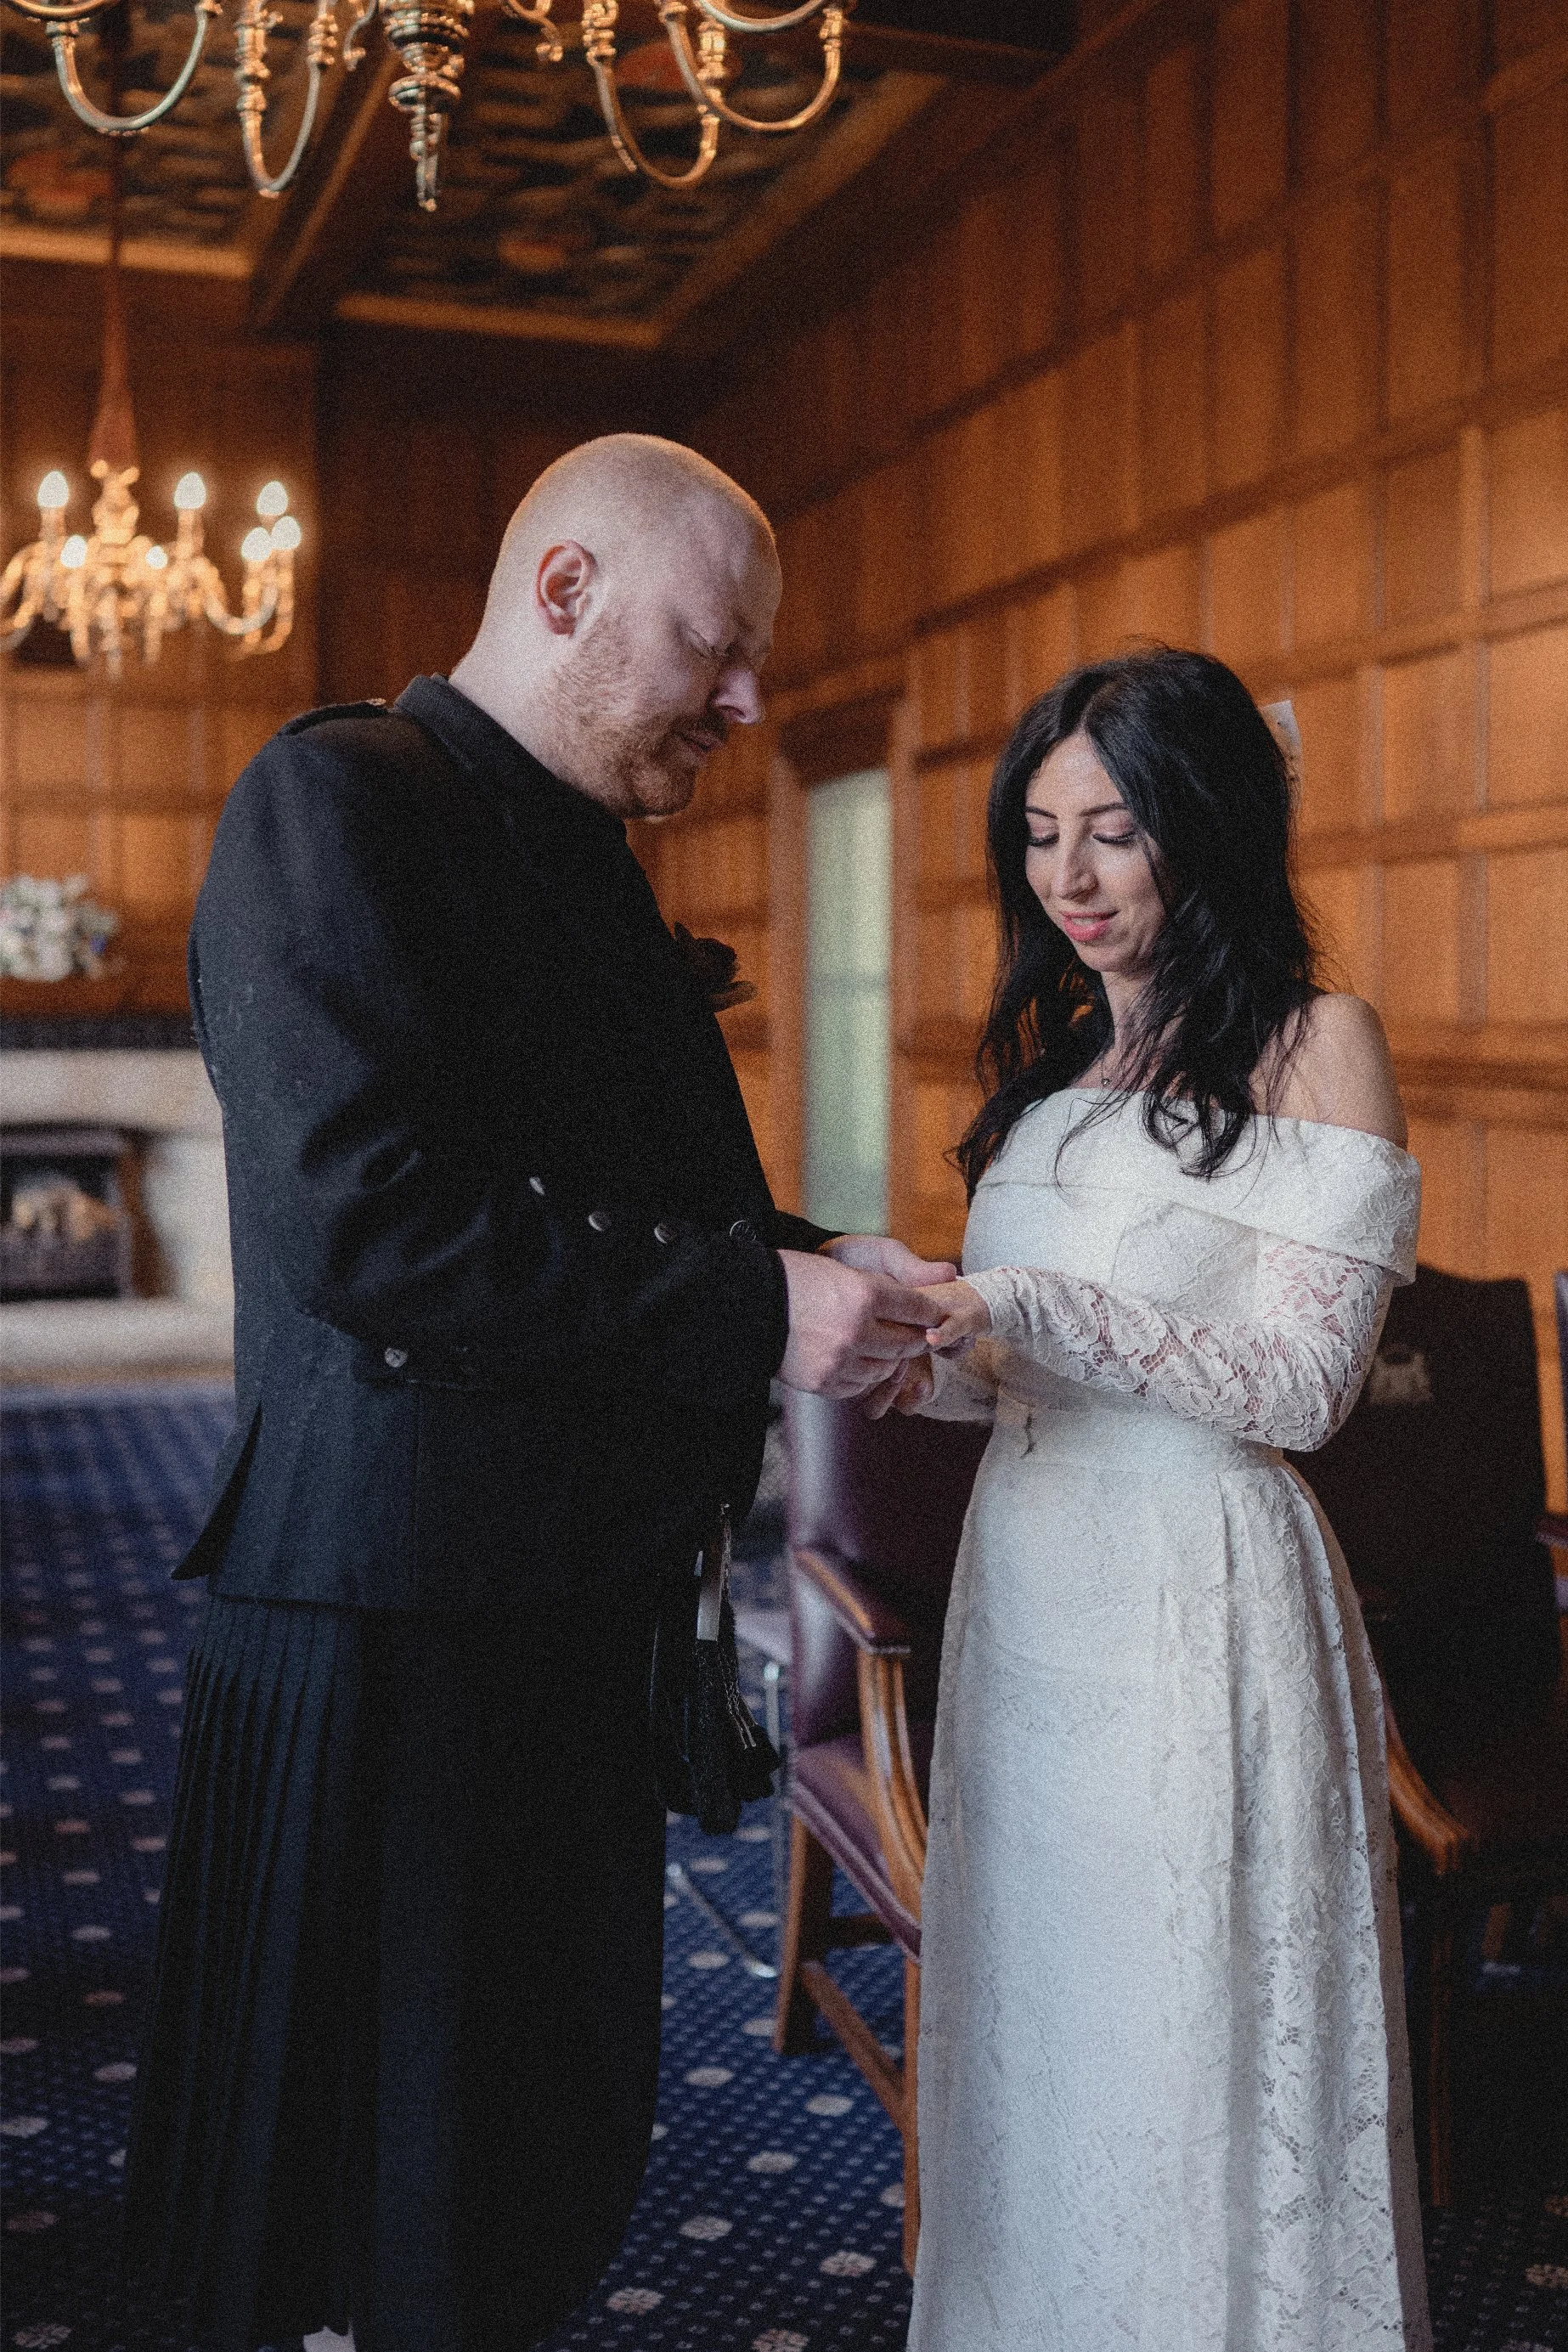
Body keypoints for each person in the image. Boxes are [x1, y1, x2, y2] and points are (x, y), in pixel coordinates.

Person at [122, 434, 950, 2352]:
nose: (745, 697)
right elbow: (371, 1224)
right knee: (381, 2189)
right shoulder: (332, 798)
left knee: (533, 2162)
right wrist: (760, 1307)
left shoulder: (583, 846)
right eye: (713, 643)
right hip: (384, 1622)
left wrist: (829, 1266)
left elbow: (654, 1215)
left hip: (566, 1611)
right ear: (564, 592)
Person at [897, 647, 1433, 2350]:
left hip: (1198, 1591)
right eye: (1039, 834)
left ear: (1199, 825)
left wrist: (1030, 1309)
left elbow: (1298, 1386)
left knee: (1189, 2024)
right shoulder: (1048, 1084)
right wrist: (896, 1345)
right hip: (1029, 1591)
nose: (1064, 876)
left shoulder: (1311, 1043)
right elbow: (1011, 1365)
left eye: (1110, 830)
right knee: (1042, 2024)